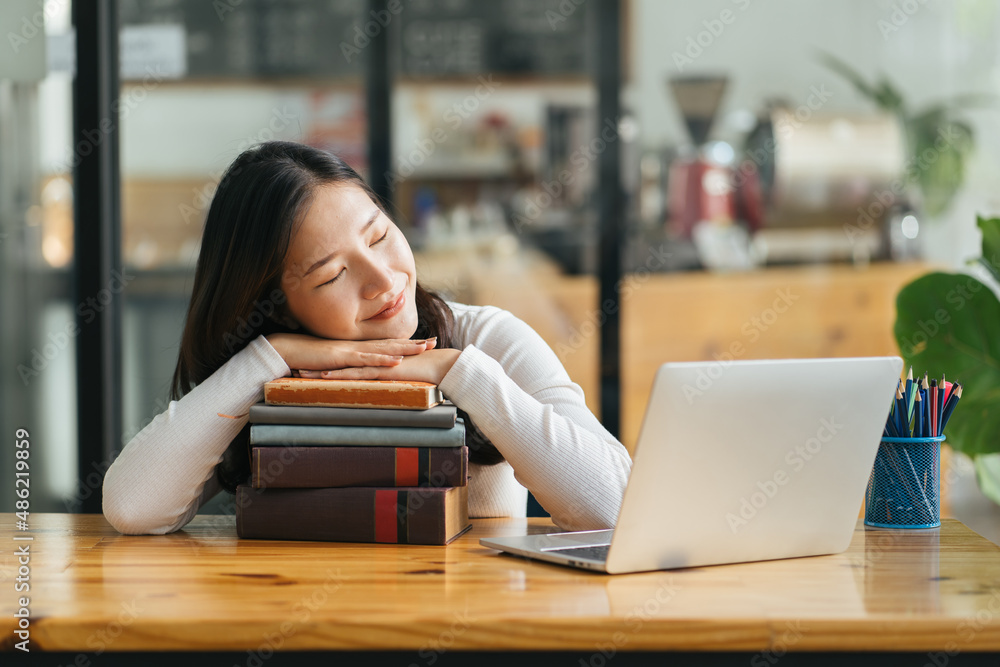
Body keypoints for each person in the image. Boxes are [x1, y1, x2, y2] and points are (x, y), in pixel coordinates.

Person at [102, 141, 631, 535]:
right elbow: (132, 507)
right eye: (332, 275)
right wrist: (272, 357)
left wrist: (456, 373)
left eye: (378, 235)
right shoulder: (270, 373)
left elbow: (615, 505)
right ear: (275, 306)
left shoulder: (486, 338)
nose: (383, 279)